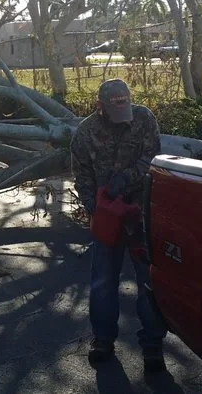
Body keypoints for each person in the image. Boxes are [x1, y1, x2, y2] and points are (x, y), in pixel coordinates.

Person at [70, 78, 167, 373]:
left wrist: (127, 178)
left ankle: (152, 345)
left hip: (140, 213)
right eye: (115, 110)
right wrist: (95, 208)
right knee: (103, 281)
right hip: (108, 216)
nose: (122, 116)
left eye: (125, 106)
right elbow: (82, 176)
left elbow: (152, 157)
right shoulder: (85, 134)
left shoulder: (143, 118)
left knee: (148, 282)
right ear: (100, 107)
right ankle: (103, 341)